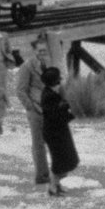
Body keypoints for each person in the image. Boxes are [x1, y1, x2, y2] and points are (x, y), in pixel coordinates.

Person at [13, 32, 53, 186]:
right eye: (40, 51)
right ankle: (41, 176)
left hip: (49, 109)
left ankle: (50, 173)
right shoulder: (27, 66)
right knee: (38, 144)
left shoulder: (48, 65)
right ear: (33, 51)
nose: (43, 53)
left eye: (45, 50)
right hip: (35, 110)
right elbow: (20, 91)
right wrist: (32, 107)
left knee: (51, 142)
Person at [39, 65, 80, 196]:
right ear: (55, 81)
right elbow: (55, 115)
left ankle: (56, 185)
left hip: (58, 132)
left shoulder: (49, 93)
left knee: (65, 159)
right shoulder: (49, 96)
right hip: (55, 134)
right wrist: (69, 113)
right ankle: (52, 187)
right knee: (61, 161)